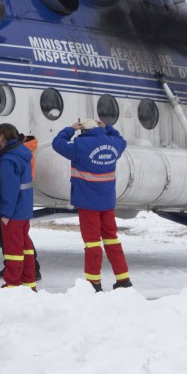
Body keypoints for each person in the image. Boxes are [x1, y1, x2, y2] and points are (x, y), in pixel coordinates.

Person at [52, 118, 131, 292]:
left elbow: (57, 143)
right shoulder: (114, 144)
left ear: (83, 131)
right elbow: (122, 140)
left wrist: (71, 128)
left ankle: (93, 282)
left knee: (92, 243)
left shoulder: (80, 146)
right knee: (112, 239)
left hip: (88, 203)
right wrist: (108, 128)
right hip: (107, 202)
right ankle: (123, 279)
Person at [0, 124, 37, 289]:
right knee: (25, 246)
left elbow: (9, 188)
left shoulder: (8, 159)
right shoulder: (22, 152)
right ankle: (29, 281)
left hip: (13, 212)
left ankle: (12, 284)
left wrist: (6, 212)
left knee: (13, 248)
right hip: (24, 209)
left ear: (2, 137)